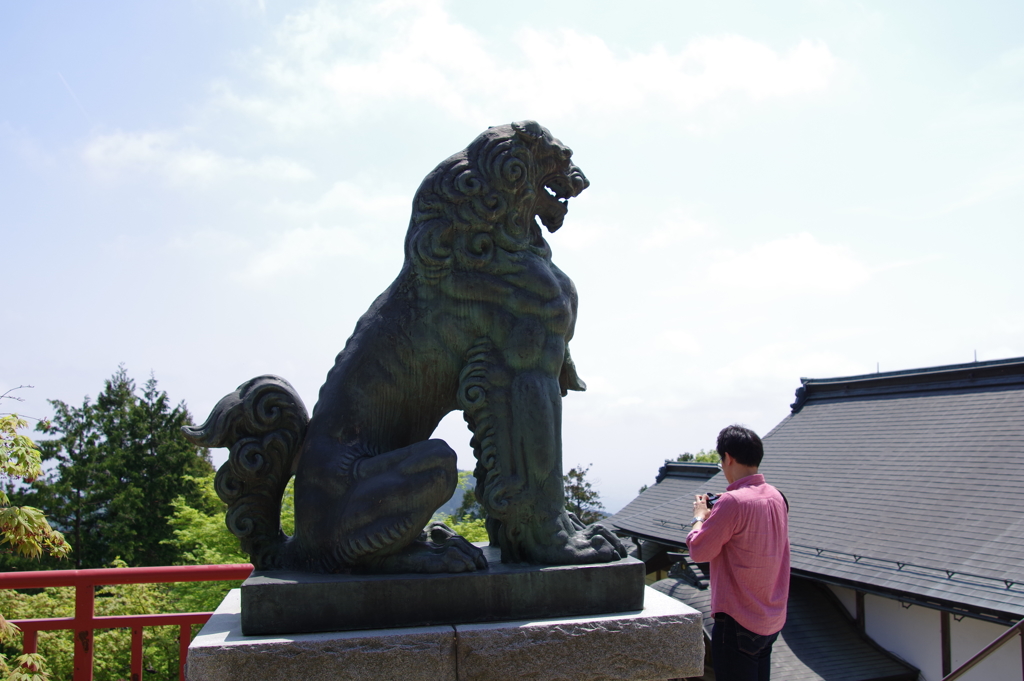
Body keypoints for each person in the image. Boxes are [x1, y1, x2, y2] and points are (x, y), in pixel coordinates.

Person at [687, 425, 790, 681]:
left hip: (738, 620)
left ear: (728, 457)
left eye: (722, 460)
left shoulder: (732, 503)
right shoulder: (776, 496)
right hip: (771, 618)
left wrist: (700, 518)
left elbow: (699, 551)